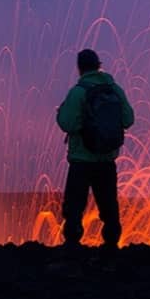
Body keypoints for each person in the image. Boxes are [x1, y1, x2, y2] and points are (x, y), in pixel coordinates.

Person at [56, 48, 134, 250]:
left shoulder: (78, 92)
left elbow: (67, 124)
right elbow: (128, 119)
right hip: (106, 160)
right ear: (99, 65)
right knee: (109, 205)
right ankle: (111, 246)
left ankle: (73, 247)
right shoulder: (115, 89)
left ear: (80, 68)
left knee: (74, 206)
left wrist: (64, 113)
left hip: (81, 160)